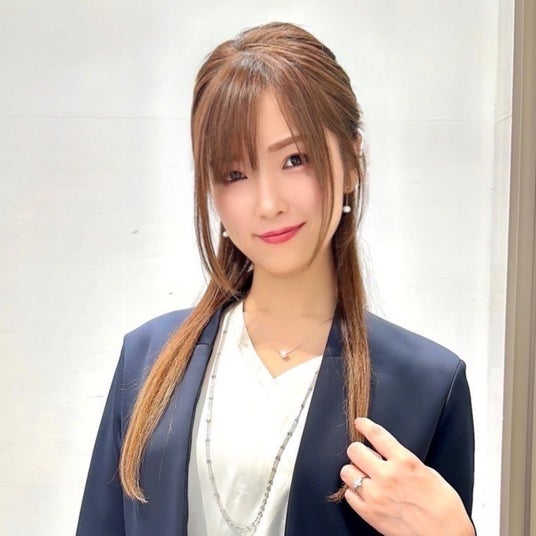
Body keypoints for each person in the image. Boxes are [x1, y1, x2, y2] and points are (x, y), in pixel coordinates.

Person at [77, 22, 475, 536]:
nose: (268, 204)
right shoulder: (148, 358)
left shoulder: (425, 385)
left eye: (295, 159)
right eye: (234, 173)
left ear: (352, 159)